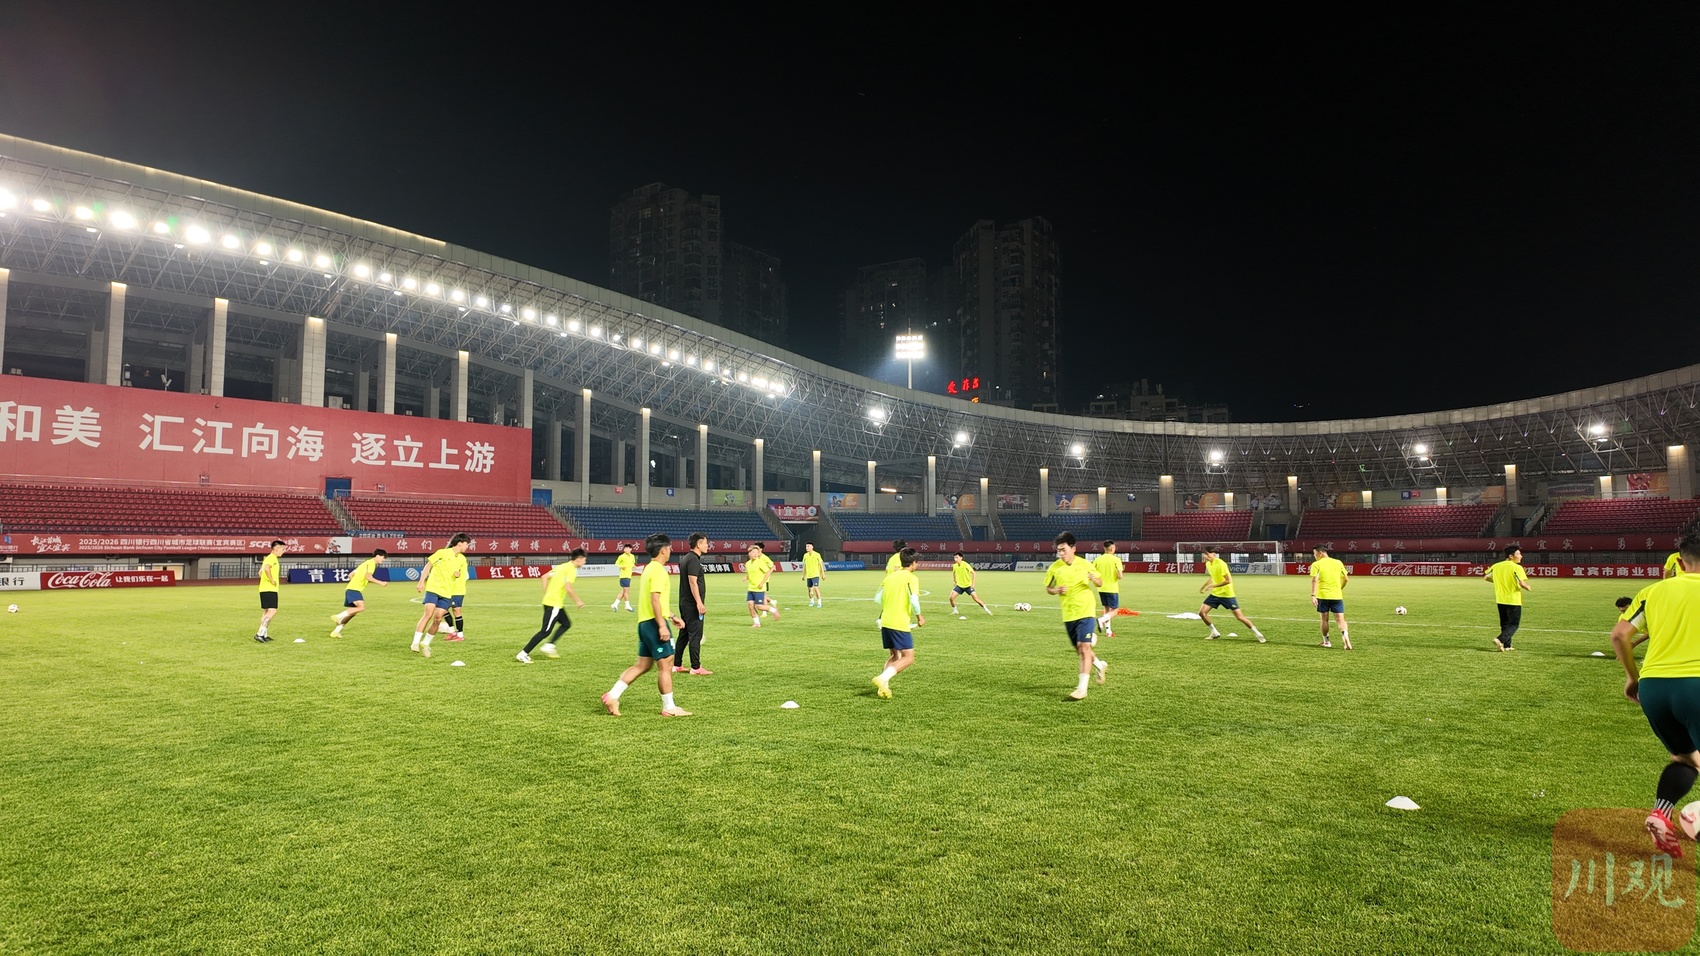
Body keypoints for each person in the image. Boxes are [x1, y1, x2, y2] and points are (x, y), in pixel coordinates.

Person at [1608, 521, 1700, 857]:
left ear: (1680, 561)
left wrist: (1633, 678)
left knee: (1686, 758)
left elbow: (1619, 636)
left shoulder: (1653, 592)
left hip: (1654, 688)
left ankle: (1661, 813)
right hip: (1697, 684)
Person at [600, 533, 691, 717]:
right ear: (663, 550)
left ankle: (613, 695)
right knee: (666, 664)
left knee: (643, 665)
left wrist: (671, 616)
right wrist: (662, 625)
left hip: (644, 623)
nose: (671, 550)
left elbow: (657, 601)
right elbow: (654, 599)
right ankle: (669, 707)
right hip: (653, 623)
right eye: (669, 547)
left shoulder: (649, 568)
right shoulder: (658, 570)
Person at [1045, 531, 1108, 699]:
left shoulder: (1085, 564)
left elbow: (1100, 582)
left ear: (1073, 548)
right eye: (1058, 550)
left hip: (1086, 609)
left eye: (1063, 550)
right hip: (1068, 613)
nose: (1061, 553)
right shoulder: (1054, 568)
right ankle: (1099, 665)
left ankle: (1082, 689)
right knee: (1079, 649)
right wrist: (1056, 590)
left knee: (1083, 647)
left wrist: (1095, 579)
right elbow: (1048, 588)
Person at [517, 548, 587, 663]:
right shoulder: (571, 570)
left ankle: (550, 645)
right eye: (584, 560)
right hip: (554, 604)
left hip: (553, 602)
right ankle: (523, 654)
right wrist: (578, 601)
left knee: (566, 624)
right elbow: (568, 588)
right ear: (578, 559)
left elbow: (544, 577)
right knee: (545, 631)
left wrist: (547, 593)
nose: (584, 562)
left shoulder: (562, 567)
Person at [872, 548, 925, 698]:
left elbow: (877, 599)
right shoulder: (911, 578)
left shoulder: (890, 577)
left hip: (886, 621)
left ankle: (883, 687)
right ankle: (882, 678)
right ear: (913, 563)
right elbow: (914, 601)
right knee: (909, 657)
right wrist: (919, 617)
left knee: (895, 656)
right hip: (899, 622)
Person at [411, 533, 470, 659]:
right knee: (428, 614)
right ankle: (415, 642)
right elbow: (428, 566)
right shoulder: (442, 553)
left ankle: (425, 643)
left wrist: (457, 575)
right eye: (466, 544)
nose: (468, 546)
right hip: (433, 589)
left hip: (447, 592)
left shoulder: (462, 559)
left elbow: (460, 574)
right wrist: (421, 582)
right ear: (460, 543)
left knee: (438, 618)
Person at [1197, 545, 1266, 643]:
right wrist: (1204, 586)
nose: (1206, 556)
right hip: (1215, 594)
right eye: (1205, 554)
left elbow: (1228, 580)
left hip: (1227, 594)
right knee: (1202, 613)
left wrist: (1213, 586)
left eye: (1208, 554)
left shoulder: (1221, 564)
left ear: (1214, 554)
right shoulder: (1208, 564)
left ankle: (1258, 633)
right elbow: (1213, 577)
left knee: (1239, 617)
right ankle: (1214, 632)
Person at [673, 532, 712, 674]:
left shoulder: (687, 558)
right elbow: (692, 582)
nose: (708, 545)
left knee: (684, 634)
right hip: (691, 604)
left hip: (685, 603)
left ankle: (677, 665)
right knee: (695, 635)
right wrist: (699, 603)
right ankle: (696, 667)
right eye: (706, 543)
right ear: (699, 544)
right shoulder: (693, 560)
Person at [330, 549, 387, 637]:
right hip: (354, 589)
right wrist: (381, 583)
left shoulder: (364, 564)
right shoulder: (372, 563)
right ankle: (338, 616)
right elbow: (368, 577)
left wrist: (355, 582)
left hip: (351, 588)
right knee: (361, 608)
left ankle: (336, 632)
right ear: (378, 556)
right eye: (383, 557)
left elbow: (350, 575)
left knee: (352, 613)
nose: (383, 560)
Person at [1485, 545, 1530, 651]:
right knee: (1514, 624)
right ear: (1511, 556)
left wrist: (1499, 582)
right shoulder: (1517, 567)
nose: (1521, 556)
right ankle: (1500, 639)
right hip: (1513, 599)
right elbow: (1522, 583)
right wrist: (1528, 587)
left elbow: (1486, 577)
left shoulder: (1496, 566)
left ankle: (1507, 646)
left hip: (1500, 599)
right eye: (1518, 554)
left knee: (1505, 623)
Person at [1310, 545, 1350, 650]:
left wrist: (1313, 595)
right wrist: (1340, 588)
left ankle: (1326, 641)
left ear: (1320, 553)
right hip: (1337, 595)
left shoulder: (1316, 564)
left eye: (1315, 553)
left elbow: (1315, 580)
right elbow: (1346, 578)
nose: (1314, 556)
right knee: (1340, 619)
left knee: (1324, 619)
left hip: (1323, 595)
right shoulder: (1338, 562)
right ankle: (1345, 635)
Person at [254, 539, 286, 643]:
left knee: (266, 611)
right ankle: (260, 633)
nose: (283, 551)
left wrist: (265, 579)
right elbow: (266, 569)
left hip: (265, 588)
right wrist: (271, 580)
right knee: (272, 611)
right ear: (276, 549)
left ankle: (264, 634)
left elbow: (260, 572)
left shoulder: (269, 558)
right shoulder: (272, 558)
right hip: (269, 589)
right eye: (282, 549)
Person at [744, 544, 780, 627]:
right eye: (754, 552)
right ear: (749, 553)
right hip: (751, 588)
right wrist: (746, 577)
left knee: (759, 606)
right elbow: (750, 574)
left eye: (757, 552)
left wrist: (762, 583)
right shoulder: (747, 564)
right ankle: (757, 623)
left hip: (759, 589)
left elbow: (767, 573)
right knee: (750, 605)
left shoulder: (760, 562)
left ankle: (773, 610)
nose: (755, 554)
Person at [1093, 540, 1122, 636]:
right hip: (1112, 588)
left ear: (1104, 548)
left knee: (1106, 608)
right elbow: (1120, 576)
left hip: (1101, 588)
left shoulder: (1098, 560)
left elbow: (1093, 573)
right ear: (1112, 548)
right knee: (1115, 610)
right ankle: (1101, 620)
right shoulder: (1116, 560)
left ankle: (1108, 631)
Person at [949, 551, 992, 617]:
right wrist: (954, 581)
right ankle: (955, 611)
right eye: (954, 557)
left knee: (976, 599)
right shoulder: (955, 566)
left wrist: (973, 583)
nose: (955, 559)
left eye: (957, 557)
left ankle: (986, 609)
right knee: (951, 598)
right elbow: (954, 573)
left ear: (961, 558)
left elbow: (973, 573)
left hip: (968, 586)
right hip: (959, 586)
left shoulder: (965, 564)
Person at [612, 543, 636, 611]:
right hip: (624, 576)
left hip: (629, 575)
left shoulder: (632, 556)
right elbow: (616, 564)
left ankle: (615, 604)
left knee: (623, 592)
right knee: (626, 592)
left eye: (628, 548)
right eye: (625, 548)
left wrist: (634, 566)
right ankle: (627, 605)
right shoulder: (621, 556)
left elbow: (632, 564)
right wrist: (621, 566)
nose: (626, 549)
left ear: (631, 549)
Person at [803, 542, 826, 607]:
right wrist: (803, 575)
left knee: (816, 588)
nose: (807, 548)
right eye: (806, 546)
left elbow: (821, 564)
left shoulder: (817, 555)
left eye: (808, 546)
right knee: (809, 589)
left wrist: (823, 574)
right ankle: (812, 601)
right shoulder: (805, 555)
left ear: (812, 547)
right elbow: (805, 566)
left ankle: (819, 602)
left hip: (815, 574)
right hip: (809, 575)